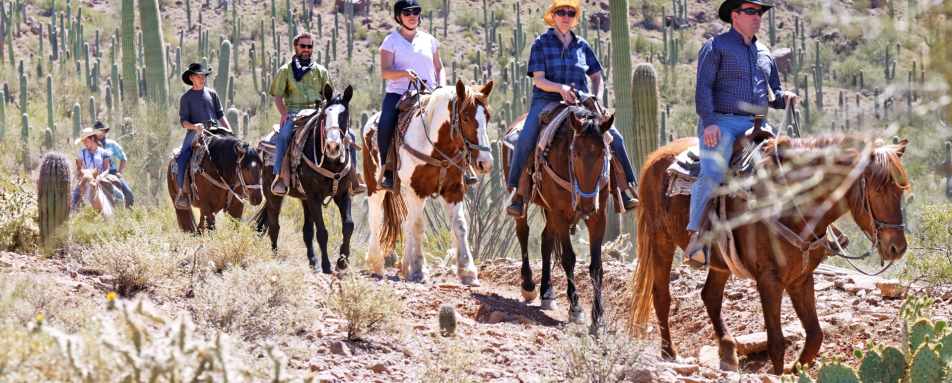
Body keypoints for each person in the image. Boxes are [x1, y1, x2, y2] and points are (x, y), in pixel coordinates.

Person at [684, 0, 800, 266]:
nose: (757, 16)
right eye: (750, 11)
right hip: (723, 122)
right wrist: (710, 122)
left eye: (759, 12)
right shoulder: (716, 47)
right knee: (713, 172)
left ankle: (807, 232)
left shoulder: (764, 52)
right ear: (734, 16)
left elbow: (773, 94)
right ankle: (697, 238)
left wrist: (787, 98)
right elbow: (703, 88)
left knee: (788, 165)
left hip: (758, 123)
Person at [505, 0, 638, 217]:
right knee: (526, 137)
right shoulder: (541, 43)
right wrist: (560, 88)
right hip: (547, 99)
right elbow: (538, 80)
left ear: (574, 17)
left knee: (614, 138)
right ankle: (517, 194)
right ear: (553, 15)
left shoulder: (582, 45)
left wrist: (597, 96)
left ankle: (624, 189)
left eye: (570, 12)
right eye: (561, 12)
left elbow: (596, 76)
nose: (566, 16)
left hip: (581, 102)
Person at [376, 0, 475, 190]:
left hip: (430, 93)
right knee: (385, 123)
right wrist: (405, 74)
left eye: (416, 12)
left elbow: (439, 67)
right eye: (407, 13)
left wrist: (442, 87)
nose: (412, 16)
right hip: (399, 94)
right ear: (399, 17)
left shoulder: (429, 40)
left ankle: (465, 165)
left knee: (458, 120)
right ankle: (387, 169)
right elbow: (385, 72)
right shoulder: (390, 41)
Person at [270, 32, 365, 196]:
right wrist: (284, 113)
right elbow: (278, 96)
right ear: (296, 47)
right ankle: (281, 177)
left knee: (351, 135)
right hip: (294, 113)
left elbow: (329, 96)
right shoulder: (285, 71)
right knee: (284, 135)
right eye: (303, 46)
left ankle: (353, 178)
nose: (306, 49)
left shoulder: (321, 71)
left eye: (309, 46)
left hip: (317, 111)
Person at [176, 62, 231, 209]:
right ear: (192, 78)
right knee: (182, 158)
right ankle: (183, 193)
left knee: (233, 151)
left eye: (204, 76)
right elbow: (183, 122)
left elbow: (220, 115)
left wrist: (229, 130)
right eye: (199, 76)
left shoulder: (212, 93)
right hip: (195, 131)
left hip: (214, 128)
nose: (202, 78)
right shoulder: (186, 98)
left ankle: (235, 189)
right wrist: (194, 126)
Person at [94, 121, 134, 207]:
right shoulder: (92, 145)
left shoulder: (112, 144)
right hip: (97, 173)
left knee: (128, 193)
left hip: (112, 172)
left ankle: (128, 212)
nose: (100, 133)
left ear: (105, 132)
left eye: (101, 131)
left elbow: (123, 158)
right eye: (97, 131)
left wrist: (120, 172)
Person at [71, 127, 112, 209]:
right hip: (86, 179)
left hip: (101, 178)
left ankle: (119, 211)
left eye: (86, 141)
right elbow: (79, 168)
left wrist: (100, 177)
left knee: (117, 194)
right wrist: (81, 175)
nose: (84, 143)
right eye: (83, 141)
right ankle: (72, 212)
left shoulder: (103, 152)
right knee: (74, 196)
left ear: (92, 138)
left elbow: (107, 169)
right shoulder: (82, 153)